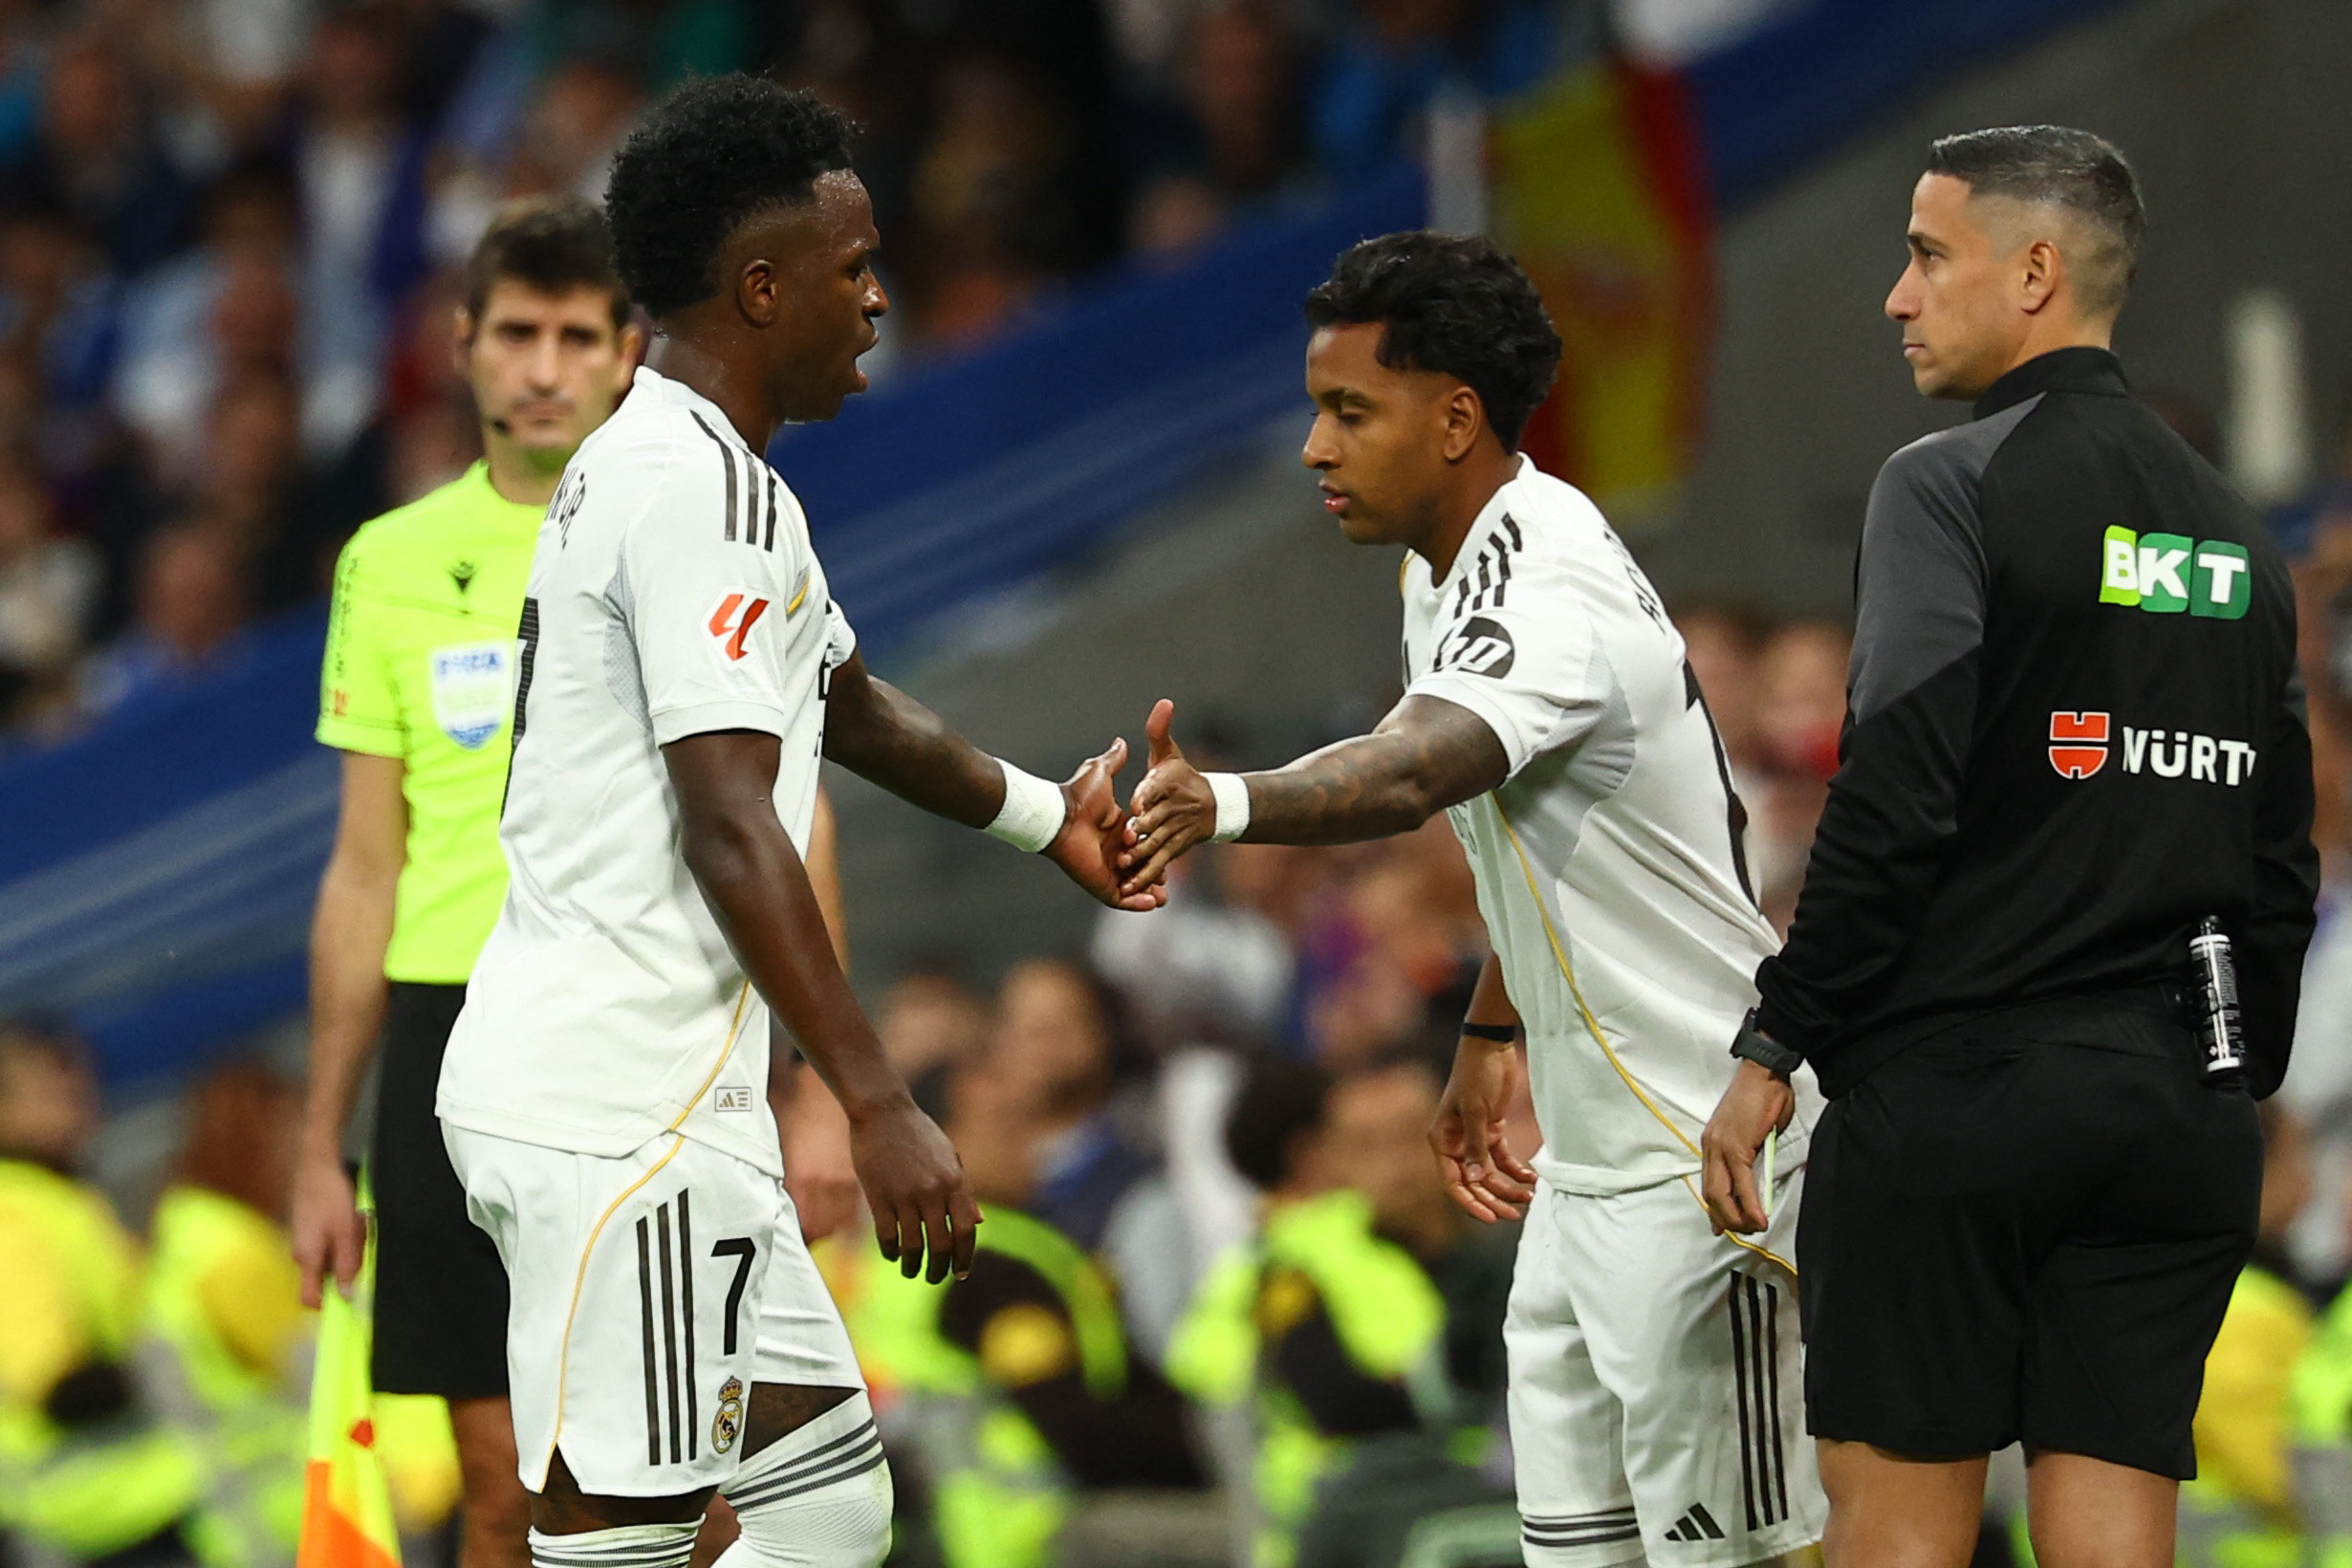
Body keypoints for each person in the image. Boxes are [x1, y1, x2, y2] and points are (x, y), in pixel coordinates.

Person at [432, 75, 1159, 1568]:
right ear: (762, 289)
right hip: (613, 1107)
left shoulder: (679, 471)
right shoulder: (698, 493)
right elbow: (728, 823)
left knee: (826, 1505)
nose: (881, 299)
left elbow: (854, 700)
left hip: (660, 1103)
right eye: (854, 268)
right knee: (611, 1541)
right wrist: (878, 1098)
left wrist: (1048, 820)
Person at [1122, 229, 1826, 1566]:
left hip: (1702, 1153)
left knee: (1750, 1559)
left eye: (1348, 411)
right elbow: (1540, 834)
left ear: (1454, 419)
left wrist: (1231, 800)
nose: (1316, 449)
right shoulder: (1439, 573)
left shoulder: (1542, 584)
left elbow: (1415, 769)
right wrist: (1497, 1030)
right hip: (1584, 1167)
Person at [1695, 126, 2319, 1568]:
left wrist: (1779, 1039)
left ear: (2034, 272)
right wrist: (2226, 1074)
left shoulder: (1946, 485)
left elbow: (1898, 784)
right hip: (2173, 1122)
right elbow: (2278, 860)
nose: (1897, 299)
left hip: (1959, 1106)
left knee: (1901, 1538)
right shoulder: (2236, 536)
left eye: (1925, 256)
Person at [288, 194, 640, 1568]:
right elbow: (363, 867)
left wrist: (823, 1094)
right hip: (442, 1034)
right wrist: (325, 1144)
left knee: (668, 1479)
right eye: (517, 334)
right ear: (465, 346)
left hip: (629, 1025)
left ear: (628, 347)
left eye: (573, 334)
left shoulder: (683, 530)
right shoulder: (383, 564)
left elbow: (787, 826)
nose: (544, 366)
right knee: (498, 1478)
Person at [0, 1017, 206, 1567]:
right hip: (97, 1523)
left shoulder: (59, 1195)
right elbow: (56, 1384)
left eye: (82, 1075)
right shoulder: (12, 1213)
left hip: (137, 1504)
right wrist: (189, 1366)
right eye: (53, 1086)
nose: (80, 1094)